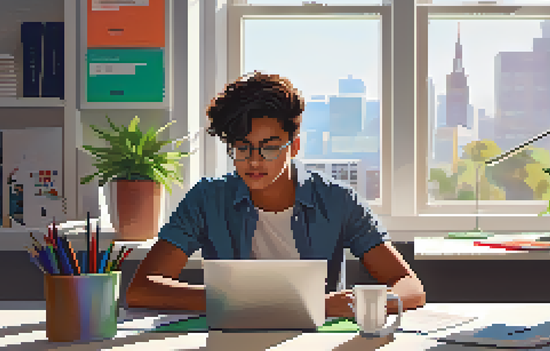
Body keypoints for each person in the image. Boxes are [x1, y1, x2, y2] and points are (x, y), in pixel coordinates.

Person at [126, 71, 426, 317]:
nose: (254, 161)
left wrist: (362, 304)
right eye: (243, 147)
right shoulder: (207, 199)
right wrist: (244, 301)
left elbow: (409, 286)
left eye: (269, 147)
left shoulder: (337, 200)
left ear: (293, 146)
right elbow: (141, 289)